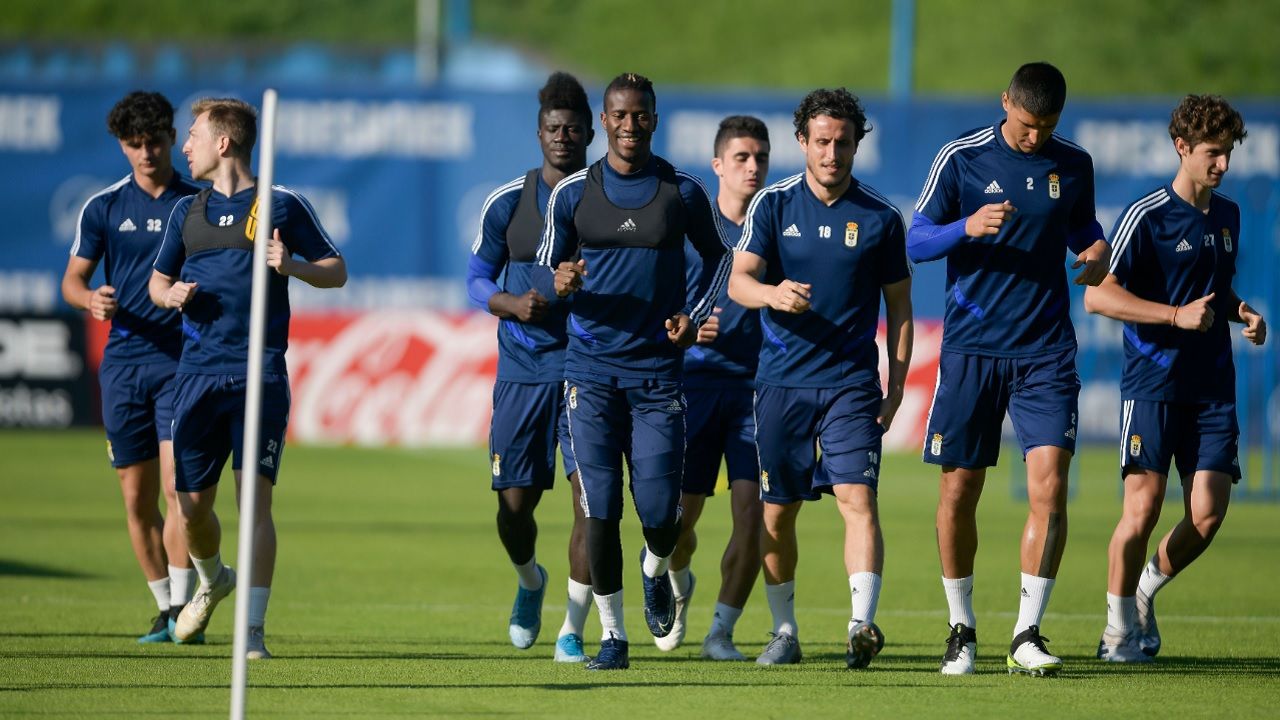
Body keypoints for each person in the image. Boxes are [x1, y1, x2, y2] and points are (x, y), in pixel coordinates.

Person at [907, 61, 1111, 677]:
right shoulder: (961, 158)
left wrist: (1096, 250)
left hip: (1045, 350)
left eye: (1046, 127)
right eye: (1026, 125)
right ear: (1006, 104)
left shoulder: (1072, 164)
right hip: (971, 350)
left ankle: (1027, 632)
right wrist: (965, 227)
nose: (1034, 137)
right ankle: (960, 629)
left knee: (1050, 487)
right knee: (959, 489)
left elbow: (1083, 229)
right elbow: (914, 242)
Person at [537, 72, 731, 670]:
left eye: (640, 115)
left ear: (654, 118)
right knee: (599, 507)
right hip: (590, 372)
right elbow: (551, 266)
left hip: (657, 377)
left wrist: (692, 315)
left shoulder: (682, 191)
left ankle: (655, 569)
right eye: (619, 115)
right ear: (604, 120)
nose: (629, 126)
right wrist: (563, 280)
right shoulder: (572, 193)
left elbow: (723, 257)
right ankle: (613, 638)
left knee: (658, 512)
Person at [148, 97, 347, 660]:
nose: (183, 146)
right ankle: (214, 579)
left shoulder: (280, 204)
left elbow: (337, 270)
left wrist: (293, 267)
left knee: (254, 505)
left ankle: (253, 632)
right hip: (197, 373)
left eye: (192, 135)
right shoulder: (186, 213)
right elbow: (156, 284)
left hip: (259, 371)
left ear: (223, 143)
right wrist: (173, 295)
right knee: (188, 506)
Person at [728, 88, 913, 669]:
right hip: (780, 381)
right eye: (823, 142)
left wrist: (898, 386)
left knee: (858, 498)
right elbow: (739, 282)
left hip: (851, 384)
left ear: (859, 144)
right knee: (777, 511)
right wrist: (772, 294)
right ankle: (784, 632)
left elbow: (901, 310)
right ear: (803, 141)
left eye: (844, 143)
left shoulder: (881, 217)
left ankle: (862, 625)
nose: (833, 154)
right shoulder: (773, 206)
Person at [1084, 94, 1265, 662]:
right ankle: (1116, 634)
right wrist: (1172, 316)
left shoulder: (1228, 214)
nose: (1224, 165)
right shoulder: (1147, 216)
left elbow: (1215, 288)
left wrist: (1241, 312)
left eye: (1229, 153)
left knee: (1207, 515)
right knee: (1141, 510)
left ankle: (1144, 592)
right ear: (1181, 148)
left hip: (1212, 385)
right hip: (1154, 385)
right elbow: (1097, 296)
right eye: (1213, 153)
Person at [61, 91, 204, 645]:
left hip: (183, 361)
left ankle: (180, 616)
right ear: (122, 146)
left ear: (171, 138)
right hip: (123, 361)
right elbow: (72, 280)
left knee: (177, 491)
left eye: (155, 141)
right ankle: (164, 606)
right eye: (133, 144)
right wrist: (89, 300)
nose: (145, 153)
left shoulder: (199, 201)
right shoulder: (103, 207)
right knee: (135, 497)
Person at [465, 72, 595, 662]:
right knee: (514, 507)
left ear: (590, 133)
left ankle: (571, 628)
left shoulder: (610, 200)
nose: (562, 137)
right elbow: (474, 280)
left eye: (572, 128)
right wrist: (512, 303)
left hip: (588, 369)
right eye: (552, 128)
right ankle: (529, 583)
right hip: (521, 371)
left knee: (588, 502)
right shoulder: (507, 203)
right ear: (538, 133)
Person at [654, 115, 770, 661]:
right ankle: (678, 584)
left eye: (760, 158)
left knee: (754, 515)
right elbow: (657, 301)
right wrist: (684, 326)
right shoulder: (692, 228)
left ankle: (720, 633)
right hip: (694, 384)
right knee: (678, 525)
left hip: (756, 389)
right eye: (741, 158)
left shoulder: (775, 223)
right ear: (718, 165)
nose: (752, 167)